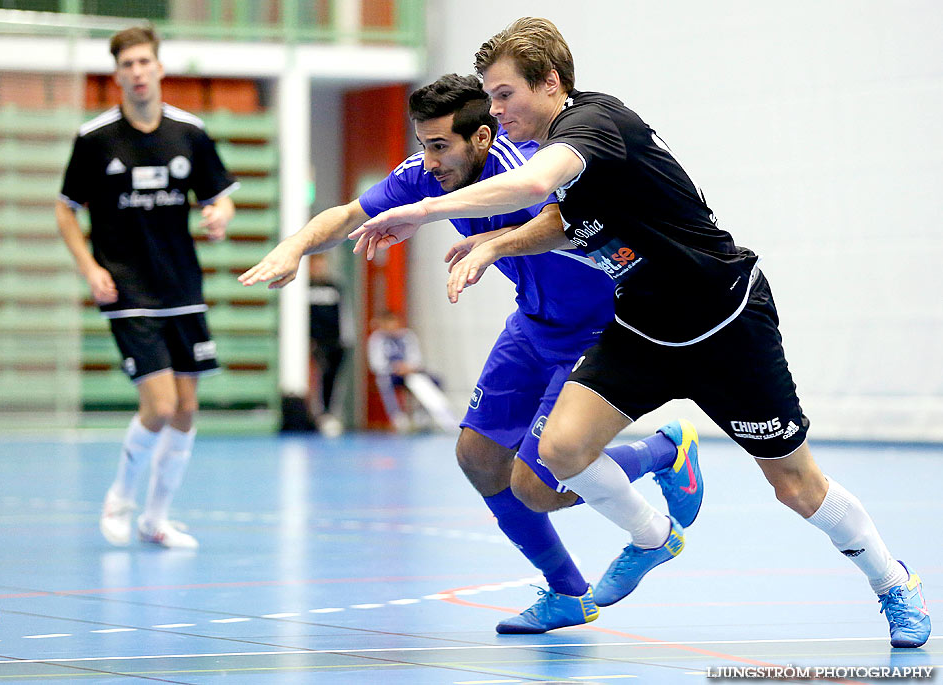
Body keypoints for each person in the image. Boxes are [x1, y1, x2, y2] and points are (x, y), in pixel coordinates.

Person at [350, 18, 930, 648]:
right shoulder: (560, 144)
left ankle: (894, 582)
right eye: (489, 96)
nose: (495, 110)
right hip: (641, 325)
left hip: (725, 323)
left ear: (550, 83)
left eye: (505, 94)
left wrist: (423, 211)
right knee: (558, 456)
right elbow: (561, 219)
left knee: (794, 485)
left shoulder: (592, 128)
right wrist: (497, 245)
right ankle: (652, 538)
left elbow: (533, 185)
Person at [241, 73, 700, 633]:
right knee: (478, 458)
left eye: (440, 146)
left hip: (602, 328)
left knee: (541, 485)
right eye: (422, 145)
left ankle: (663, 453)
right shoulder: (426, 176)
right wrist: (293, 247)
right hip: (534, 323)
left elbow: (565, 218)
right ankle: (566, 593)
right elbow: (345, 215)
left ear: (481, 138)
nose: (429, 162)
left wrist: (489, 240)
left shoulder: (530, 163)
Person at [55, 25, 238, 549]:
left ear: (159, 68)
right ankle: (119, 498)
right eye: (127, 64)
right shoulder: (94, 140)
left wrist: (219, 216)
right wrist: (90, 268)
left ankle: (156, 519)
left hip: (182, 286)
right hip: (128, 291)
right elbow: (65, 211)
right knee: (157, 406)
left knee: (184, 409)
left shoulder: (189, 132)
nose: (137, 71)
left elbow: (220, 197)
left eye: (144, 62)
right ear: (117, 74)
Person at [366, 310, 456, 433]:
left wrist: (408, 368)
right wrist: (394, 368)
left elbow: (416, 359)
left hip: (410, 373)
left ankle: (422, 417)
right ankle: (397, 417)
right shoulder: (377, 339)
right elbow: (376, 364)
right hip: (390, 374)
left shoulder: (408, 336)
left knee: (435, 380)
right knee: (384, 382)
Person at [308, 252, 349, 437]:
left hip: (334, 340)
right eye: (315, 265)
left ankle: (328, 413)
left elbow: (344, 315)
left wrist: (345, 339)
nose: (319, 269)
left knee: (331, 377)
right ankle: (313, 414)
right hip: (313, 341)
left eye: (321, 265)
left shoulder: (335, 287)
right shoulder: (303, 288)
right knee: (316, 377)